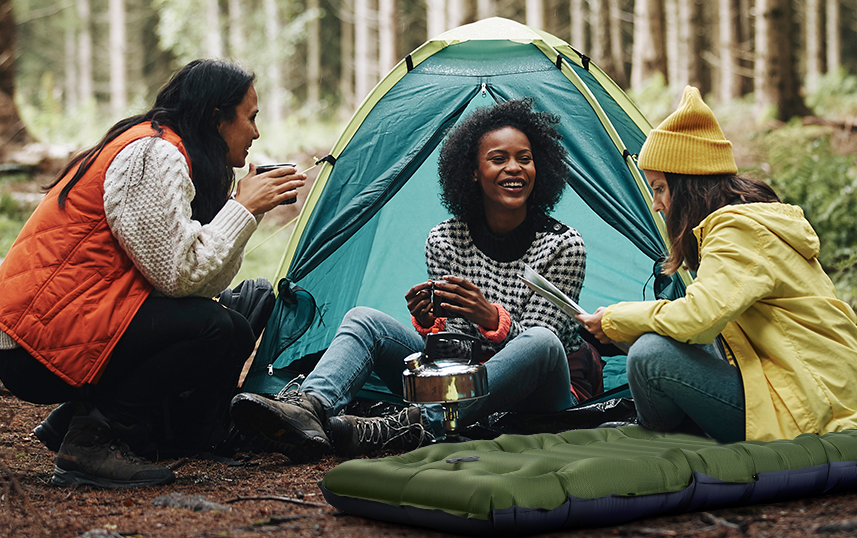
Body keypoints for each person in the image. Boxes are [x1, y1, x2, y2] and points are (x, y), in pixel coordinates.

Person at [0, 60, 307, 487]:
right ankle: (91, 440)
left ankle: (81, 421)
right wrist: (242, 209)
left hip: (63, 324)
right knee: (217, 329)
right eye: (251, 117)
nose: (256, 133)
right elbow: (180, 276)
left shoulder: (169, 150)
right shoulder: (154, 154)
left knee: (232, 321)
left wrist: (245, 212)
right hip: (31, 342)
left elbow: (204, 283)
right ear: (216, 117)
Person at [231, 97, 598, 458]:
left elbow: (534, 357)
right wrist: (429, 323)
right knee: (364, 320)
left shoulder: (563, 246)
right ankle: (309, 408)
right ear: (472, 170)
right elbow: (453, 347)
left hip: (541, 394)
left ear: (541, 167)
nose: (514, 168)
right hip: (463, 381)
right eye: (498, 159)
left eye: (525, 159)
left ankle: (420, 424)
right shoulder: (446, 239)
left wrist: (490, 318)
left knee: (543, 341)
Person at [577, 86, 857, 444]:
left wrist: (617, 318)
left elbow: (699, 317)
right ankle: (671, 425)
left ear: (686, 184)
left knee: (649, 355)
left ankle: (660, 438)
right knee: (658, 338)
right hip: (809, 385)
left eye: (659, 189)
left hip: (811, 403)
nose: (657, 205)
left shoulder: (739, 232)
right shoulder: (747, 223)